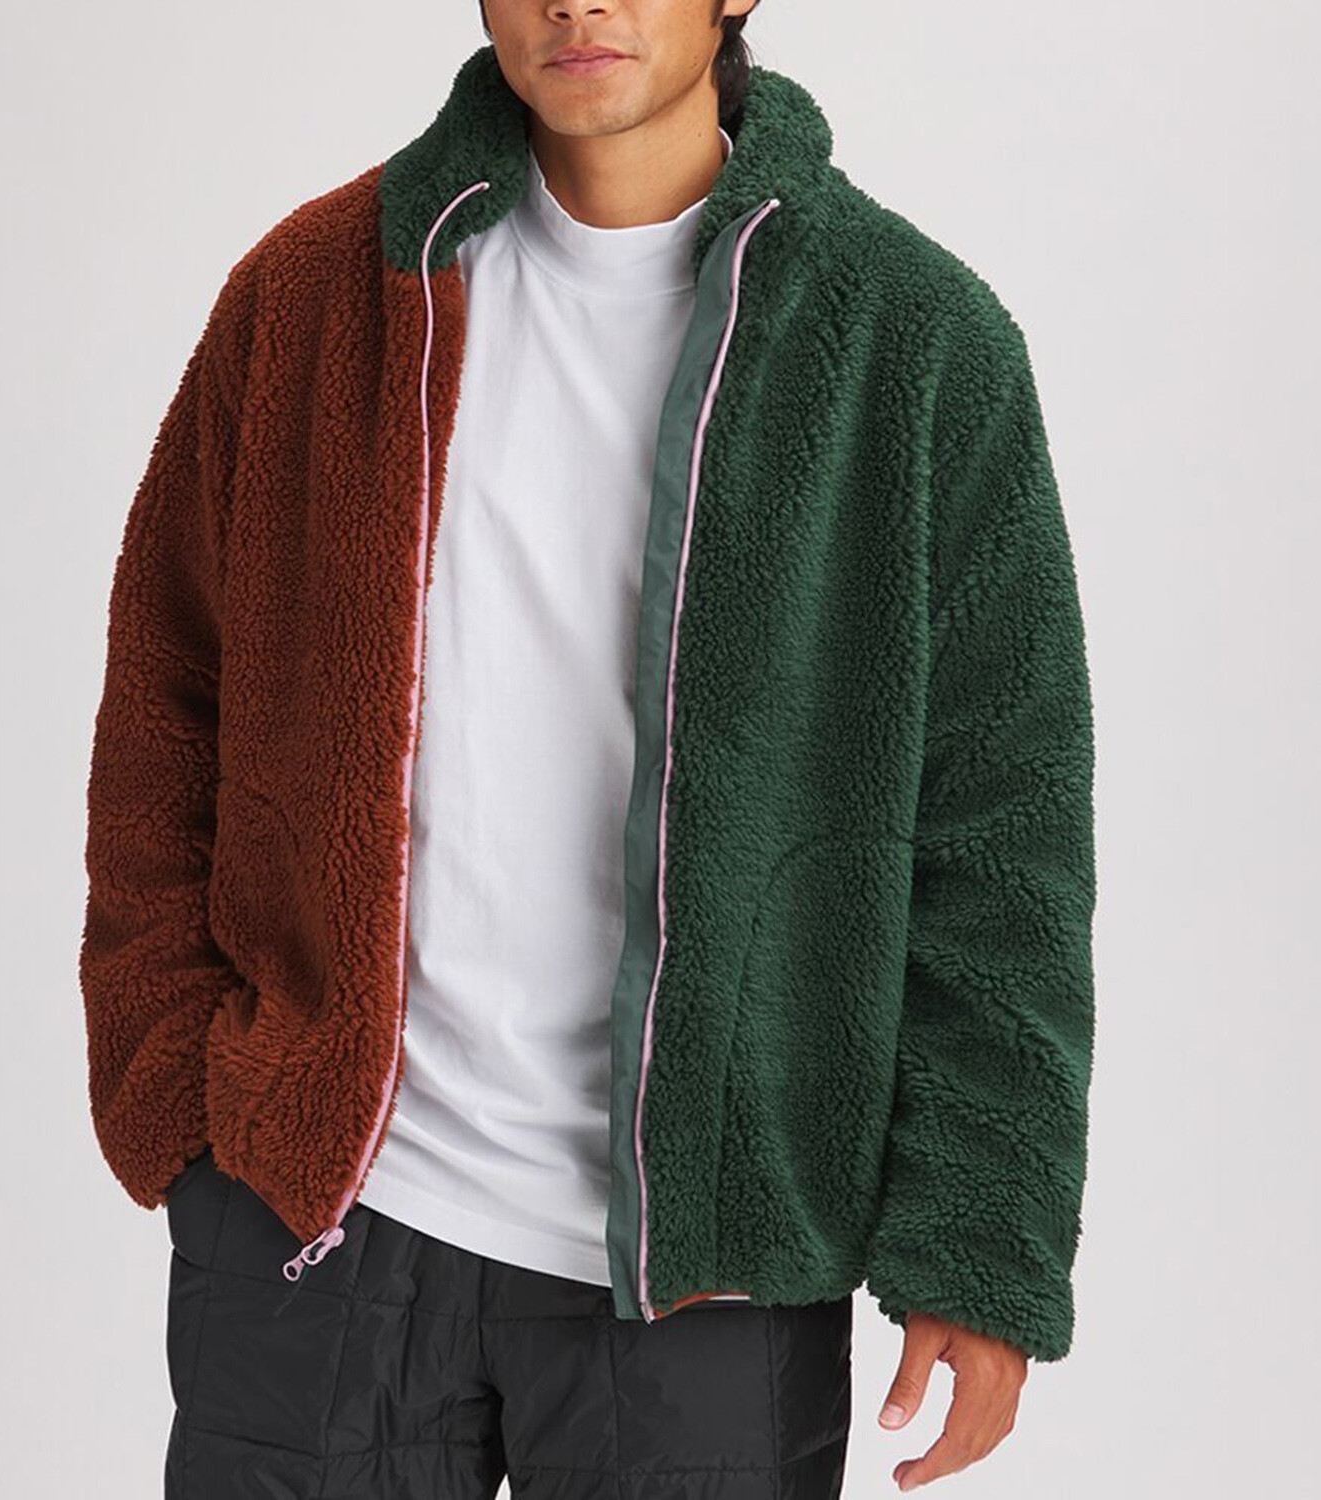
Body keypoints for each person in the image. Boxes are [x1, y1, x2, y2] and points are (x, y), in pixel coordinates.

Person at [79, 3, 1097, 1495]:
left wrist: (981, 1240)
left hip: (710, 1264)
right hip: (326, 1225)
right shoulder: (316, 296)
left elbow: (1002, 831)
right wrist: (185, 1103)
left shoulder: (913, 342)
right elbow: (167, 694)